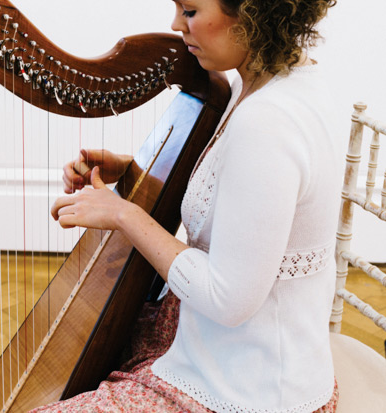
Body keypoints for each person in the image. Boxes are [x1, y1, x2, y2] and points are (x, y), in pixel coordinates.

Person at [41, 0, 341, 411]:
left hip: (250, 390)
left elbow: (227, 299)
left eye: (191, 10)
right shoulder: (282, 80)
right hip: (240, 354)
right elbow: (245, 197)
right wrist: (133, 169)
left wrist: (123, 213)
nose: (175, 24)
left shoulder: (268, 120)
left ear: (253, 13)